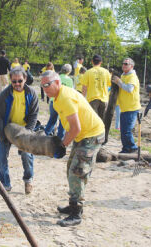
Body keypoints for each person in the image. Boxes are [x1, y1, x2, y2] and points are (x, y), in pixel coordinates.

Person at [41, 70, 105, 227]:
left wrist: (63, 145)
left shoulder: (65, 98)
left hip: (91, 135)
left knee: (77, 172)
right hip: (82, 135)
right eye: (42, 86)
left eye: (47, 85)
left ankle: (76, 213)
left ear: (57, 82)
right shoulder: (56, 98)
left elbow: (75, 128)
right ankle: (72, 204)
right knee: (71, 168)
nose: (44, 89)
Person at [0, 67, 39, 194]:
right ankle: (5, 184)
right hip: (7, 129)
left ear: (25, 79)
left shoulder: (31, 93)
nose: (17, 84)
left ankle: (28, 180)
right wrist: (2, 135)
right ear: (10, 80)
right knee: (1, 157)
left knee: (27, 155)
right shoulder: (4, 94)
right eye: (14, 81)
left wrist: (28, 132)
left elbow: (34, 115)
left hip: (24, 130)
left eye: (20, 81)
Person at [112, 58, 141, 153]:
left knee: (127, 130)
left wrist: (119, 82)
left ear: (131, 66)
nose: (123, 65)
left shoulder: (132, 76)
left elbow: (129, 89)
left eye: (126, 64)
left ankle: (132, 148)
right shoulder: (123, 75)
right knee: (123, 130)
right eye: (123, 63)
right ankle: (126, 148)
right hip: (124, 107)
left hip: (132, 107)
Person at [44, 64, 73, 139]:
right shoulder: (69, 80)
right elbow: (70, 92)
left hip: (53, 101)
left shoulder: (56, 77)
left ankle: (45, 135)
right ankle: (60, 139)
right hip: (63, 103)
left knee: (52, 120)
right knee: (62, 121)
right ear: (69, 71)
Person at [81, 54, 111, 123]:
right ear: (101, 62)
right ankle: (102, 133)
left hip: (92, 99)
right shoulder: (106, 72)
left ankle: (94, 133)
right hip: (104, 98)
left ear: (92, 61)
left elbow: (84, 87)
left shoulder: (88, 72)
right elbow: (110, 84)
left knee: (93, 120)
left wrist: (83, 98)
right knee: (102, 120)